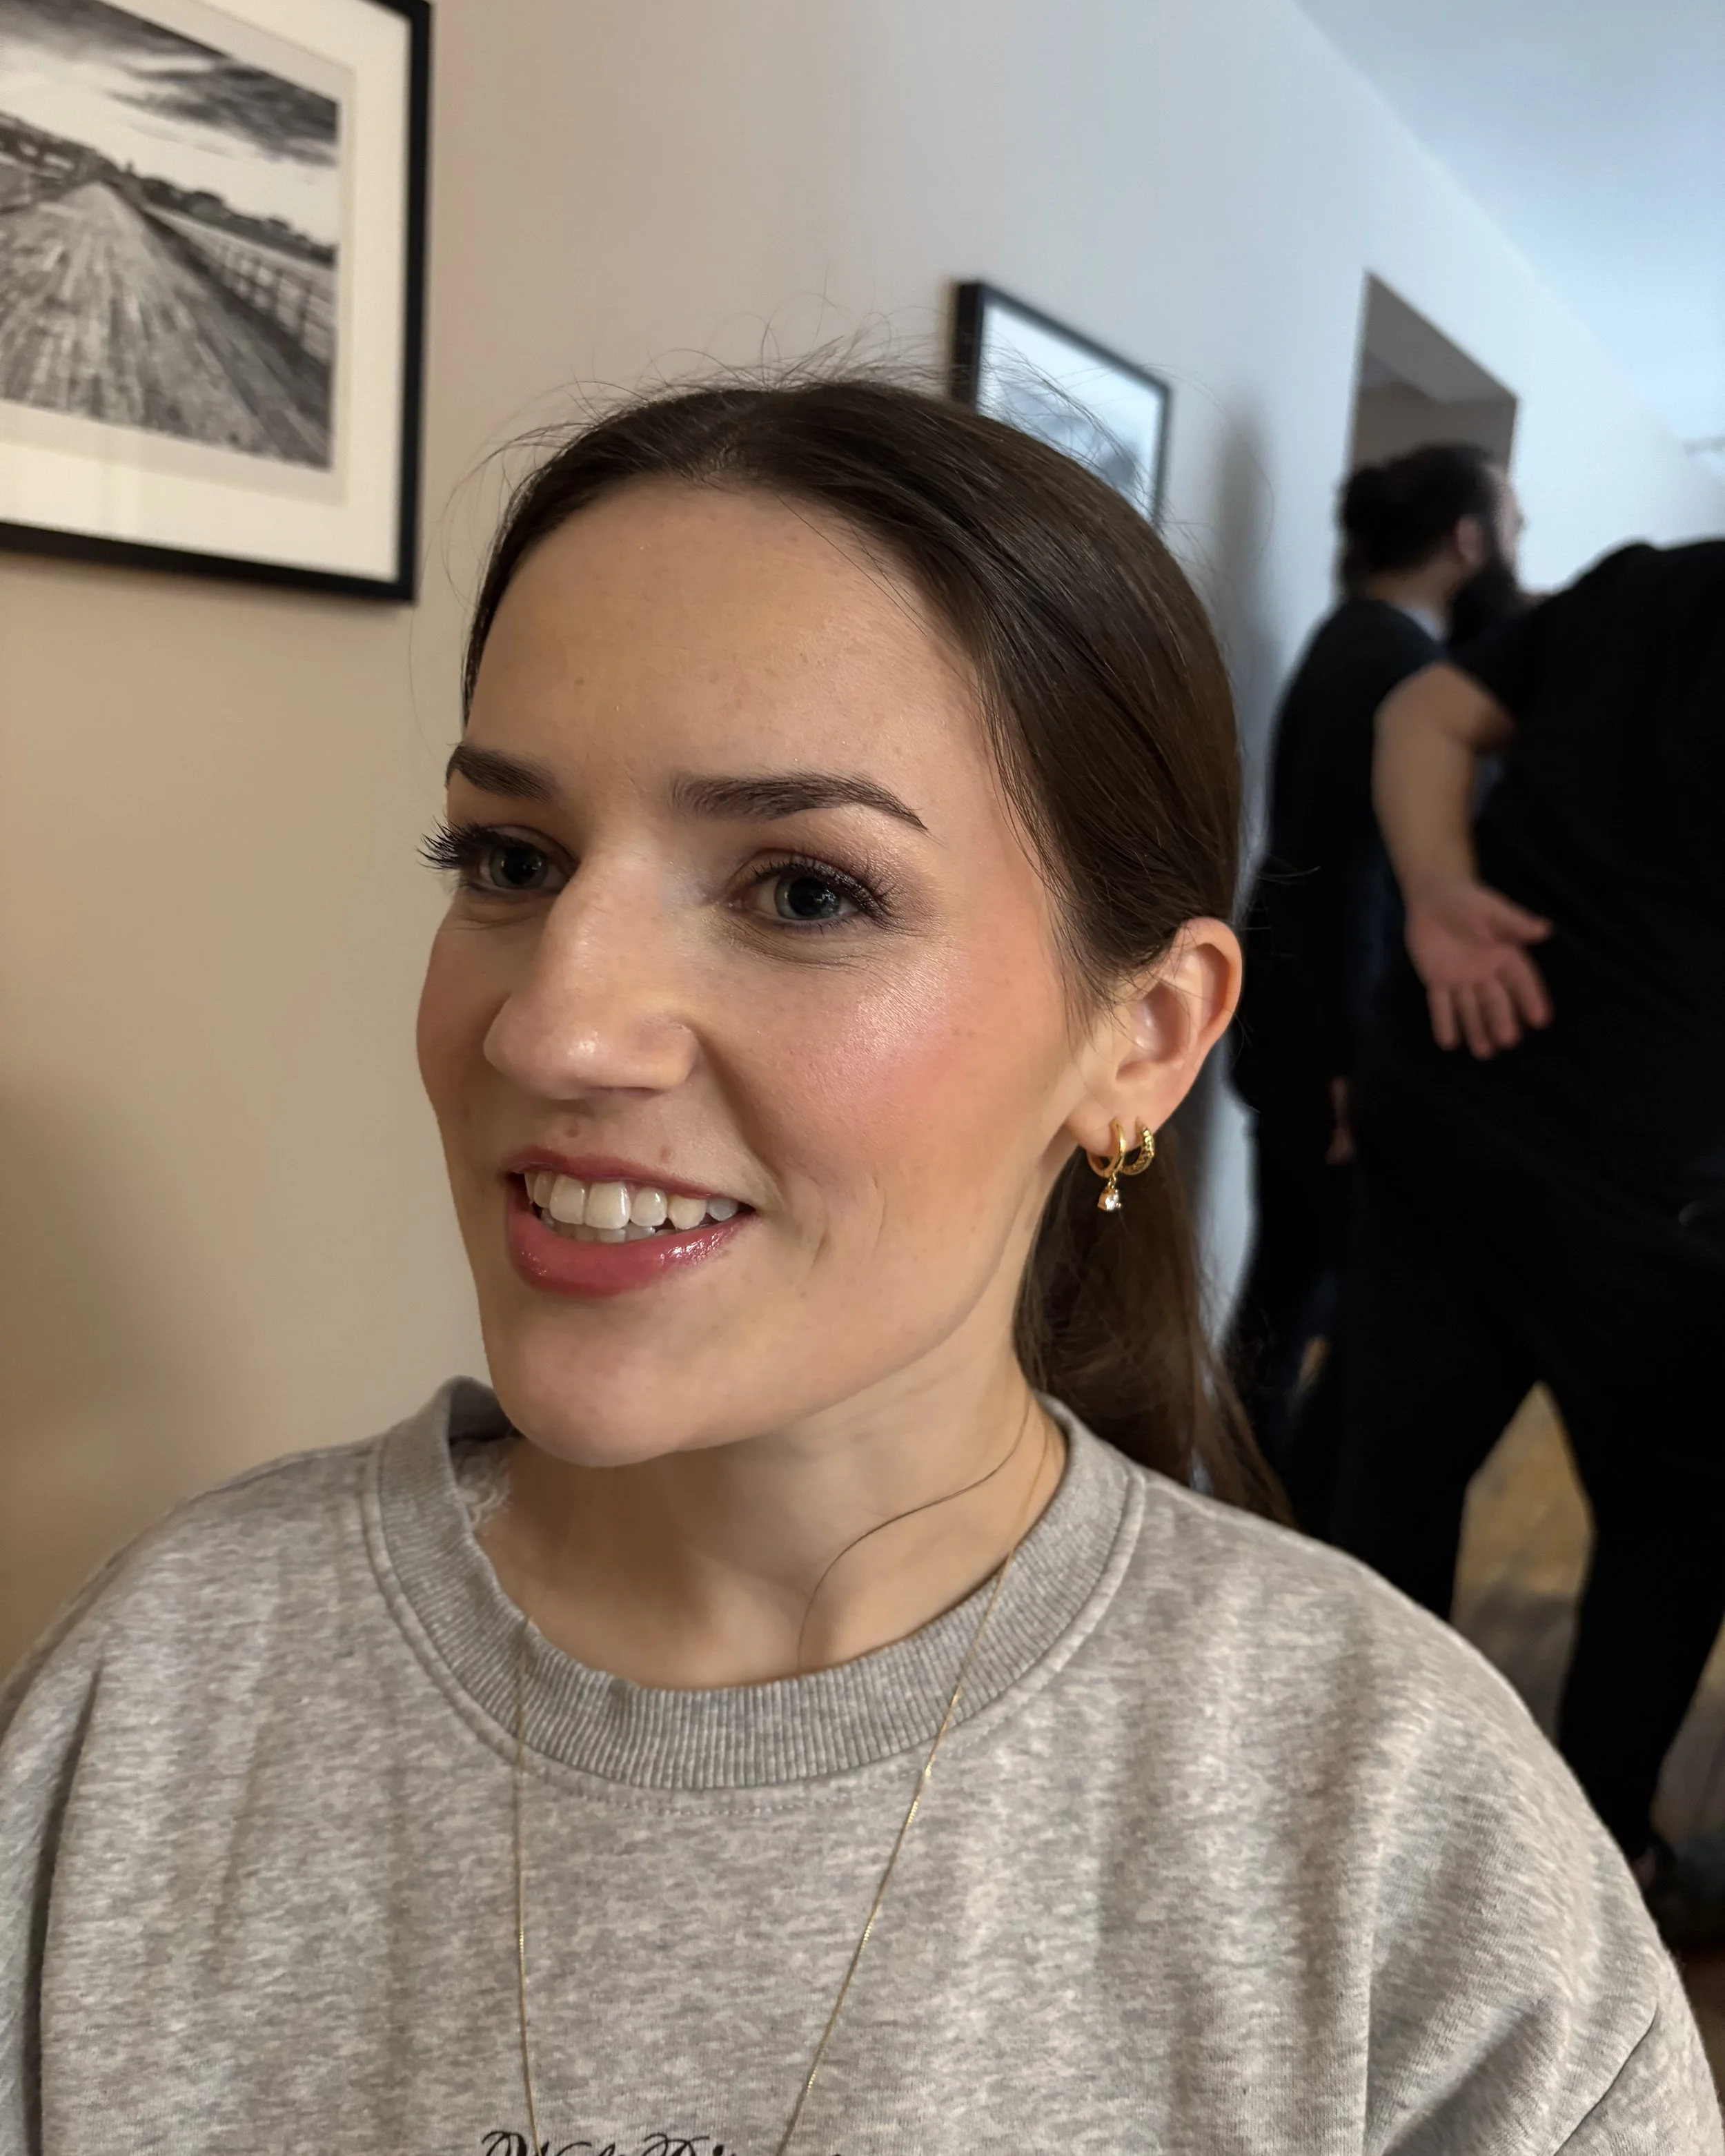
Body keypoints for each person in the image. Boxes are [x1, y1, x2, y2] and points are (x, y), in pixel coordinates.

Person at [2, 382, 1714, 2153]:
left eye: (804, 891)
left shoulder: (1398, 1850)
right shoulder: (158, 1703)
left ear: (1142, 1035)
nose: (555, 1022)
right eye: (509, 858)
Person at [1328, 536, 1725, 1938]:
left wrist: (1435, 894)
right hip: (1649, 1195)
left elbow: (1421, 714)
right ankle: (1590, 1868)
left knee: (1388, 1476)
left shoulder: (1648, 582)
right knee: (1674, 1536)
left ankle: (1336, 1824)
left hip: (1450, 1096)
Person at [1230, 444, 1522, 1487]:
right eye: (1511, 523)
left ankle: (1247, 1508)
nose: (1516, 546)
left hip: (1301, 1032)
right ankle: (1279, 1521)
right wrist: (1353, 1066)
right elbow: (1342, 881)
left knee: (1284, 1297)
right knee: (1340, 1318)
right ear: (1467, 538)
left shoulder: (1353, 639)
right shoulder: (1393, 666)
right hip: (1331, 1047)